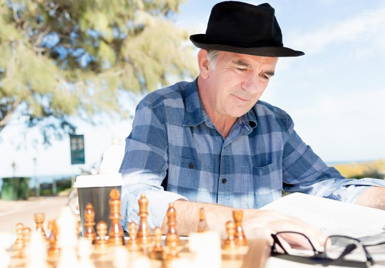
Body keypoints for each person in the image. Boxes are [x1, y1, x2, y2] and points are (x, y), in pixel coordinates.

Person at [119, 1, 385, 247]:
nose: (252, 87)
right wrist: (241, 222)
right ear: (205, 63)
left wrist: (380, 198)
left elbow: (323, 186)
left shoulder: (276, 124)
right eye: (241, 67)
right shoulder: (160, 110)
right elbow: (134, 198)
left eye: (265, 74)